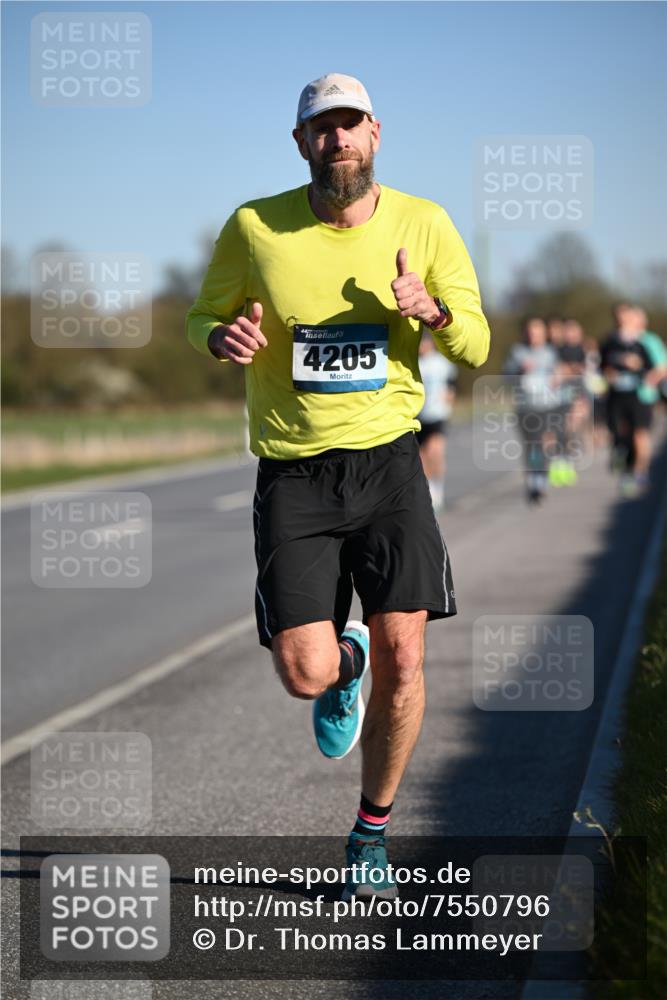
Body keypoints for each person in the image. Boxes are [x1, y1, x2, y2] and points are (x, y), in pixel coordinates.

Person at [186, 73, 490, 900]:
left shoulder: (422, 223)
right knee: (304, 674)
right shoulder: (255, 226)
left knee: (407, 648)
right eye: (322, 128)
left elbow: (476, 343)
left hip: (390, 462)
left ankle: (370, 833)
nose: (338, 140)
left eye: (351, 125)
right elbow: (199, 313)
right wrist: (220, 333)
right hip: (293, 472)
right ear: (300, 143)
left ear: (376, 134)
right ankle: (341, 659)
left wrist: (430, 311)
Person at [599, 305, 660, 496]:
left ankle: (639, 472)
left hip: (640, 396)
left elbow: (656, 367)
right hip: (617, 396)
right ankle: (625, 466)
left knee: (639, 436)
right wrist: (608, 375)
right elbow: (601, 367)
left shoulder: (645, 342)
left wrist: (642, 371)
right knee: (620, 435)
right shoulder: (610, 342)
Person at [503, 317, 561, 504]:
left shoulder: (551, 353)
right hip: (526, 406)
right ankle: (533, 481)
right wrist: (519, 370)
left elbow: (560, 375)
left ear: (544, 333)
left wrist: (558, 378)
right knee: (531, 445)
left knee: (545, 443)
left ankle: (541, 480)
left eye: (537, 331)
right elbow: (506, 376)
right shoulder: (517, 352)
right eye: (530, 331)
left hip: (547, 405)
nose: (533, 334)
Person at [416, 331, 458, 511]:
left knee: (435, 451)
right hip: (419, 415)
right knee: (422, 456)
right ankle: (430, 488)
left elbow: (452, 381)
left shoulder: (440, 362)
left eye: (424, 343)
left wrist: (450, 394)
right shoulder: (414, 362)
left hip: (438, 414)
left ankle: (437, 489)